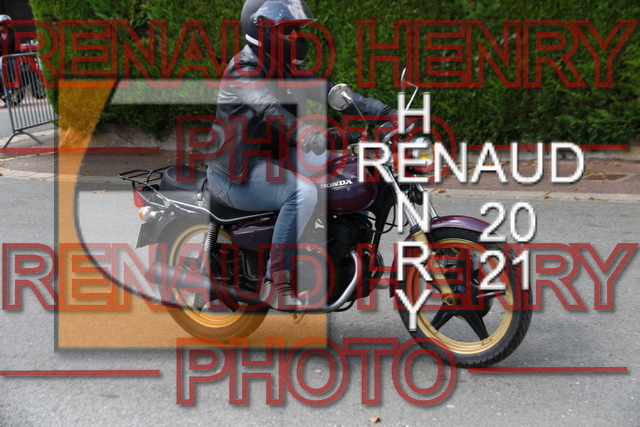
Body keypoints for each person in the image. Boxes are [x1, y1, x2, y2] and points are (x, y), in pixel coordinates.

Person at [205, 0, 396, 311]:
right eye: (290, 30)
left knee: (351, 170)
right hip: (237, 170)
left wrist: (388, 113)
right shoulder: (244, 69)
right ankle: (276, 281)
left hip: (277, 158)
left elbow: (333, 94)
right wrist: (309, 135)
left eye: (298, 30)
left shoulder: (288, 66)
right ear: (263, 31)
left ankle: (335, 249)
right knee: (302, 193)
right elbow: (270, 109)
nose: (298, 37)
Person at [0, 14, 17, 103]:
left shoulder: (13, 35)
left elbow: (16, 49)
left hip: (11, 58)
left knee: (7, 69)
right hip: (1, 59)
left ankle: (9, 90)